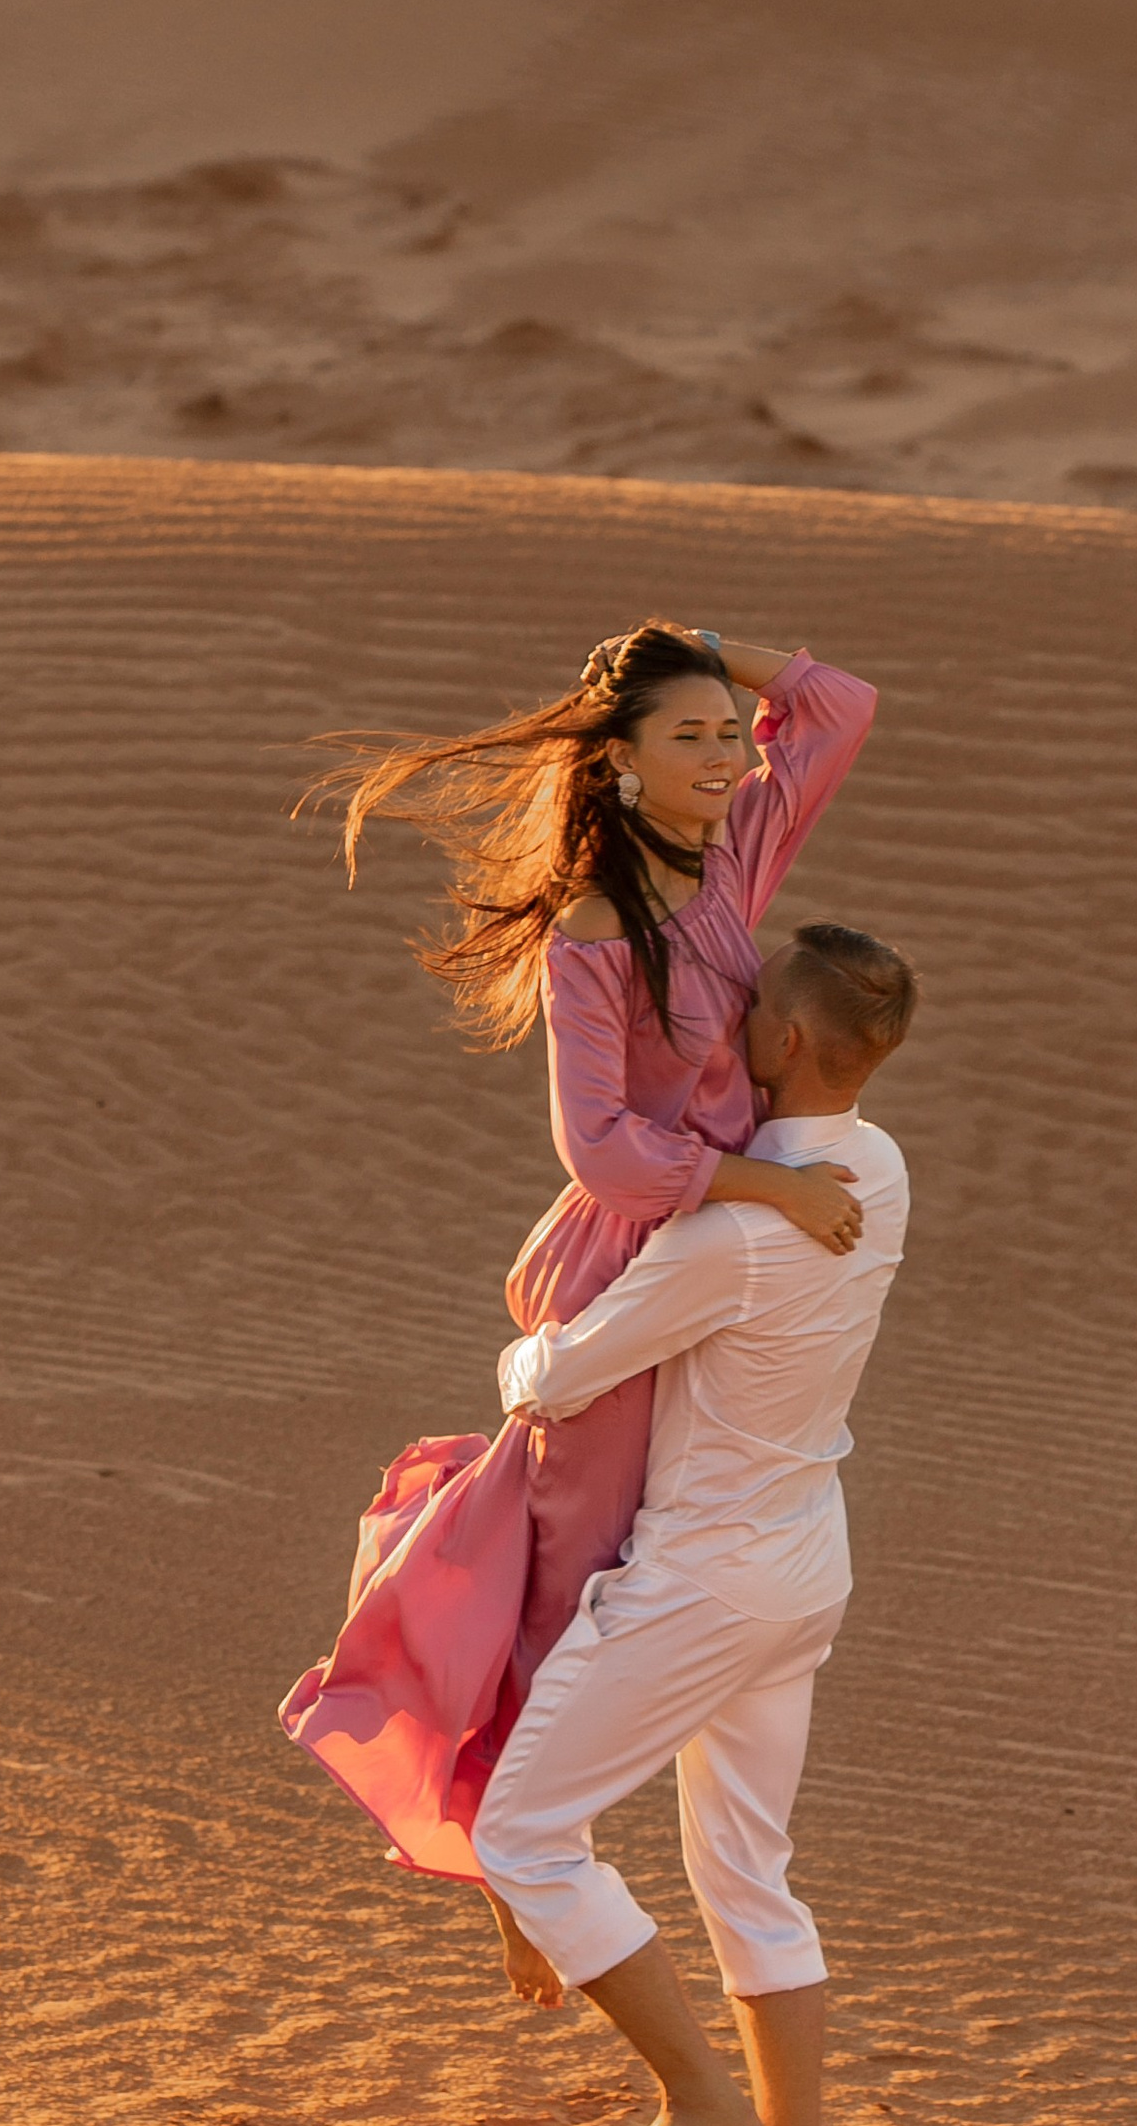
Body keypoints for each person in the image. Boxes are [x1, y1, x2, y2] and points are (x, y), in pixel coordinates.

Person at [283, 625, 878, 1946]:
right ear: (617, 765)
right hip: (636, 1267)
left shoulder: (734, 857)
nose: (727, 753)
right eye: (691, 735)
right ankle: (509, 1849)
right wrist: (764, 1188)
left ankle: (552, 1849)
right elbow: (603, 1150)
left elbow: (838, 707)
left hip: (730, 1267)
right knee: (568, 1587)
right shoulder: (597, 929)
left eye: (731, 731)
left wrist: (717, 649)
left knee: (683, 1548)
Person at [471, 921, 919, 2126]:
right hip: (804, 1562)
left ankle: (701, 2102)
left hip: (707, 1580)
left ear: (781, 1044)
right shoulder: (878, 1171)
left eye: (748, 1008)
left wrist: (516, 1360)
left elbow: (558, 1374)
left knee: (523, 1836)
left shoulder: (730, 1243)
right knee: (748, 1876)